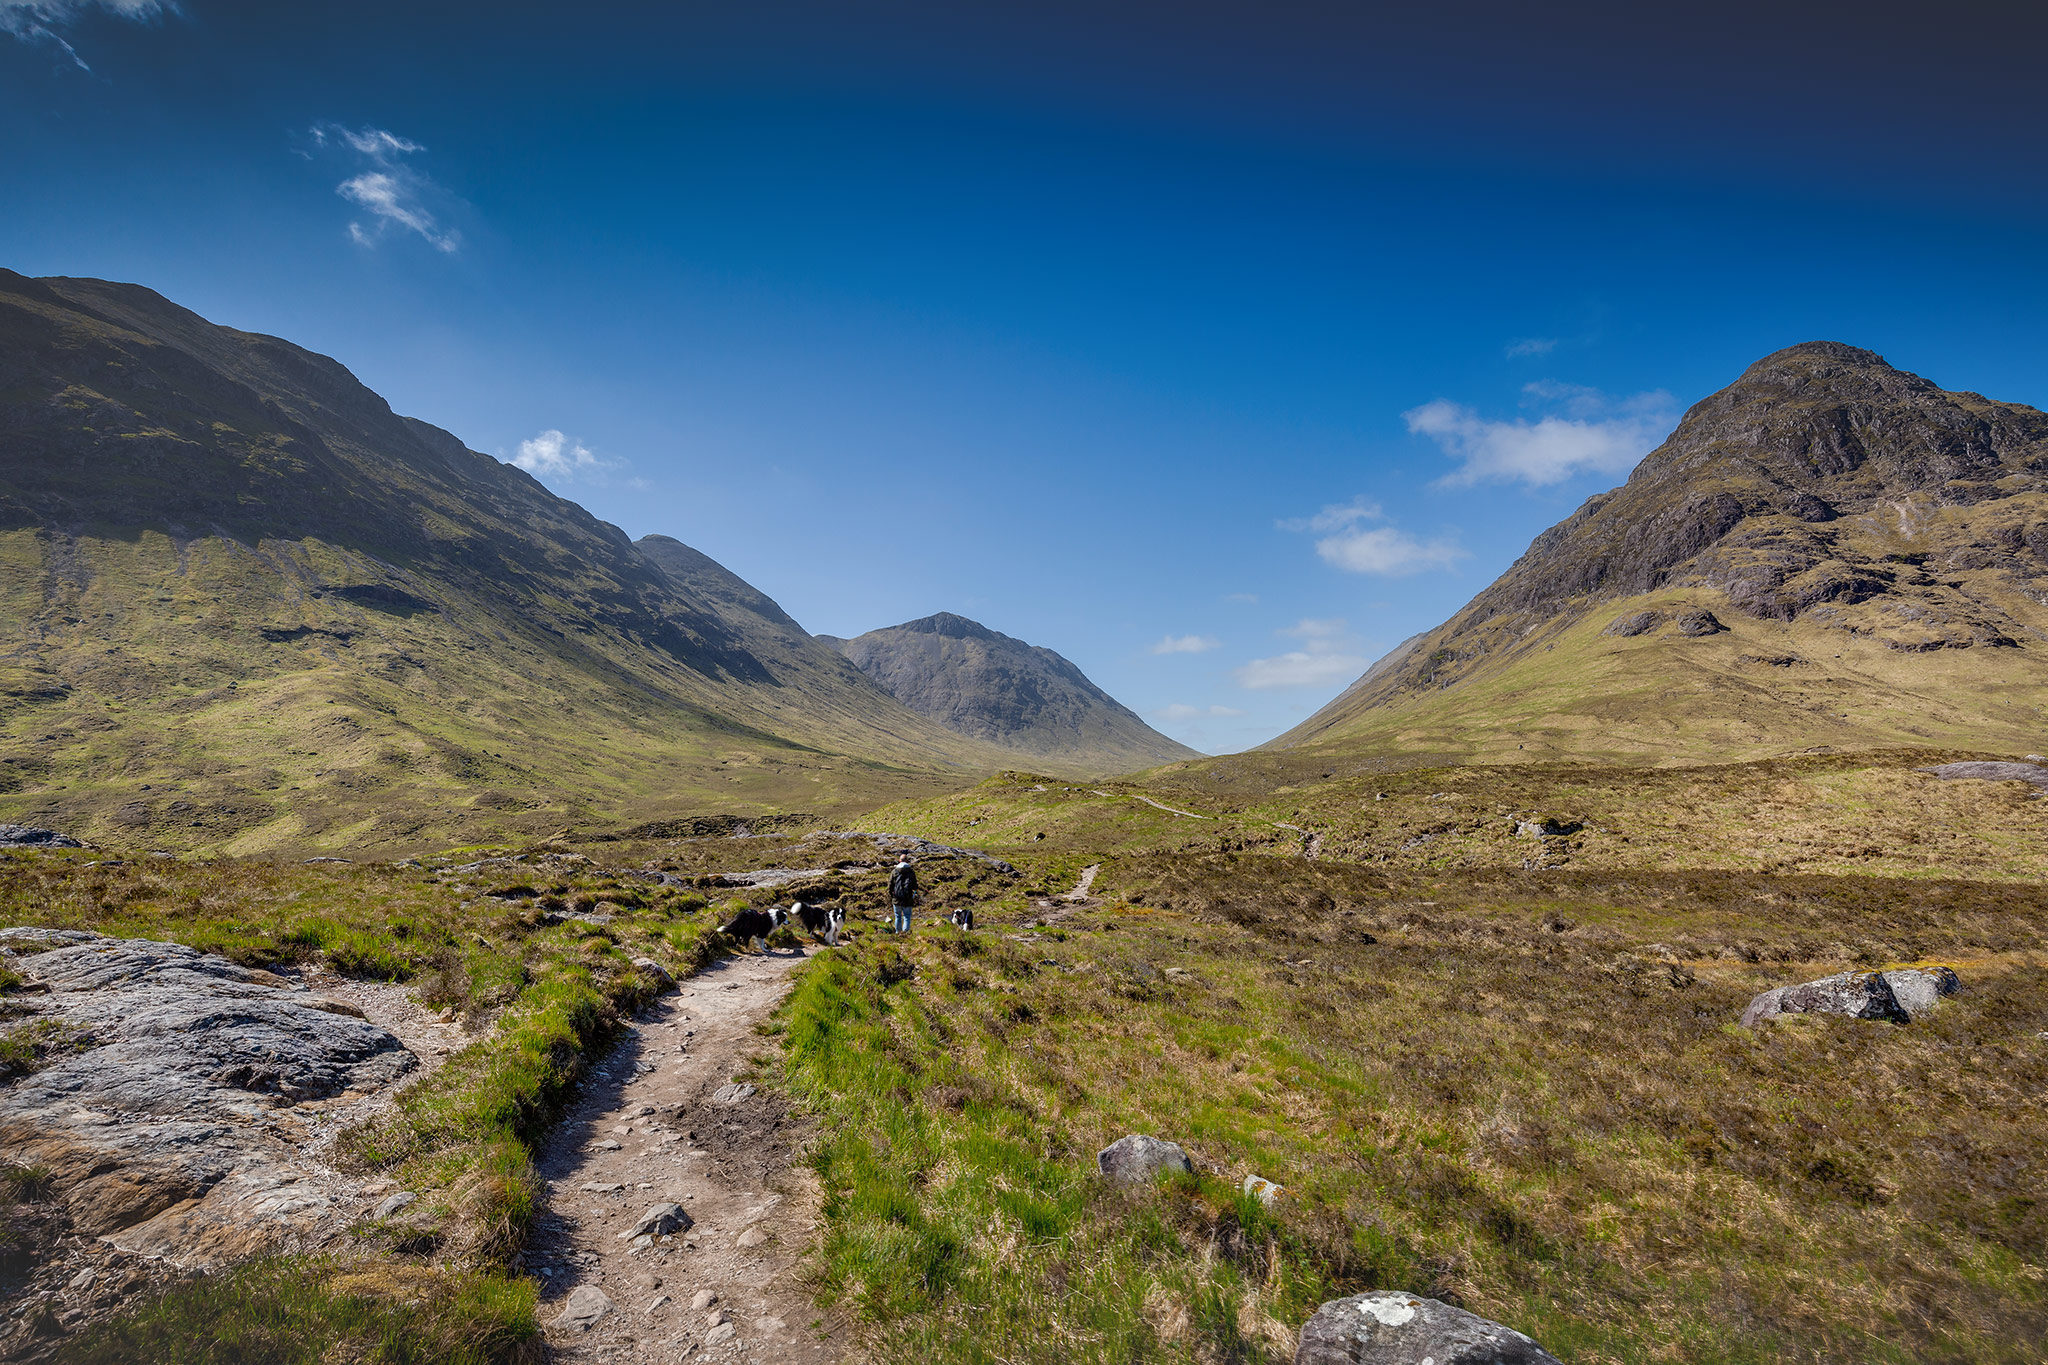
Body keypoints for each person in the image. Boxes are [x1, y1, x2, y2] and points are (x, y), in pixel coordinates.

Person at [888, 854, 918, 933]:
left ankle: (898, 932)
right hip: (907, 898)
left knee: (898, 916)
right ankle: (905, 933)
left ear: (899, 860)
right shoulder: (911, 872)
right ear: (907, 861)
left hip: (896, 898)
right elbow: (915, 886)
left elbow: (890, 885)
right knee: (907, 917)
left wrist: (892, 896)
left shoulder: (894, 871)